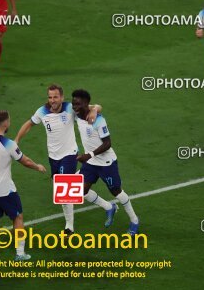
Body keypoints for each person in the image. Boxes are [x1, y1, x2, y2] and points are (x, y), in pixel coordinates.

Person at [15, 84, 100, 236]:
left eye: (55, 97)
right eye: (50, 97)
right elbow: (29, 124)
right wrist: (16, 140)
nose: (52, 100)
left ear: (61, 97)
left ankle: (69, 227)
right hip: (53, 157)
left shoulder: (70, 108)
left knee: (64, 191)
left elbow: (96, 107)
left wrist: (93, 110)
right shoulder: (42, 111)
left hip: (69, 155)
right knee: (70, 190)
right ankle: (107, 205)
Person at [0, 110, 46, 262]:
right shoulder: (8, 144)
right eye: (9, 121)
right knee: (17, 217)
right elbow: (25, 161)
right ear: (5, 123)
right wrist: (37, 166)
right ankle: (20, 253)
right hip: (4, 190)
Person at [71, 89, 139, 236]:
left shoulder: (99, 120)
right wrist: (95, 107)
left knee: (117, 192)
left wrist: (89, 154)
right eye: (73, 103)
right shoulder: (77, 115)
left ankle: (134, 221)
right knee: (80, 191)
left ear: (86, 104)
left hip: (106, 163)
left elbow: (108, 143)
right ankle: (109, 207)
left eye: (78, 104)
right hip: (90, 162)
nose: (75, 107)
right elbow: (96, 105)